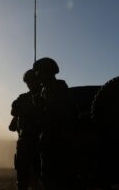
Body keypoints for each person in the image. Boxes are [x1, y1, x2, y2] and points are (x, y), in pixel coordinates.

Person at [33, 57, 76, 190]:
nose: (37, 76)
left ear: (46, 72)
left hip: (57, 141)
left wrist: (42, 106)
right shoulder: (44, 90)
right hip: (49, 140)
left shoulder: (59, 87)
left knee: (56, 179)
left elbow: (62, 113)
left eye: (39, 72)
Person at [9, 69, 42, 190]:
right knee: (22, 176)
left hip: (41, 141)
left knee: (41, 176)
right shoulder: (24, 98)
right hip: (25, 142)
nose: (29, 84)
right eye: (28, 82)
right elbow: (14, 109)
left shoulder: (45, 95)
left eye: (31, 81)